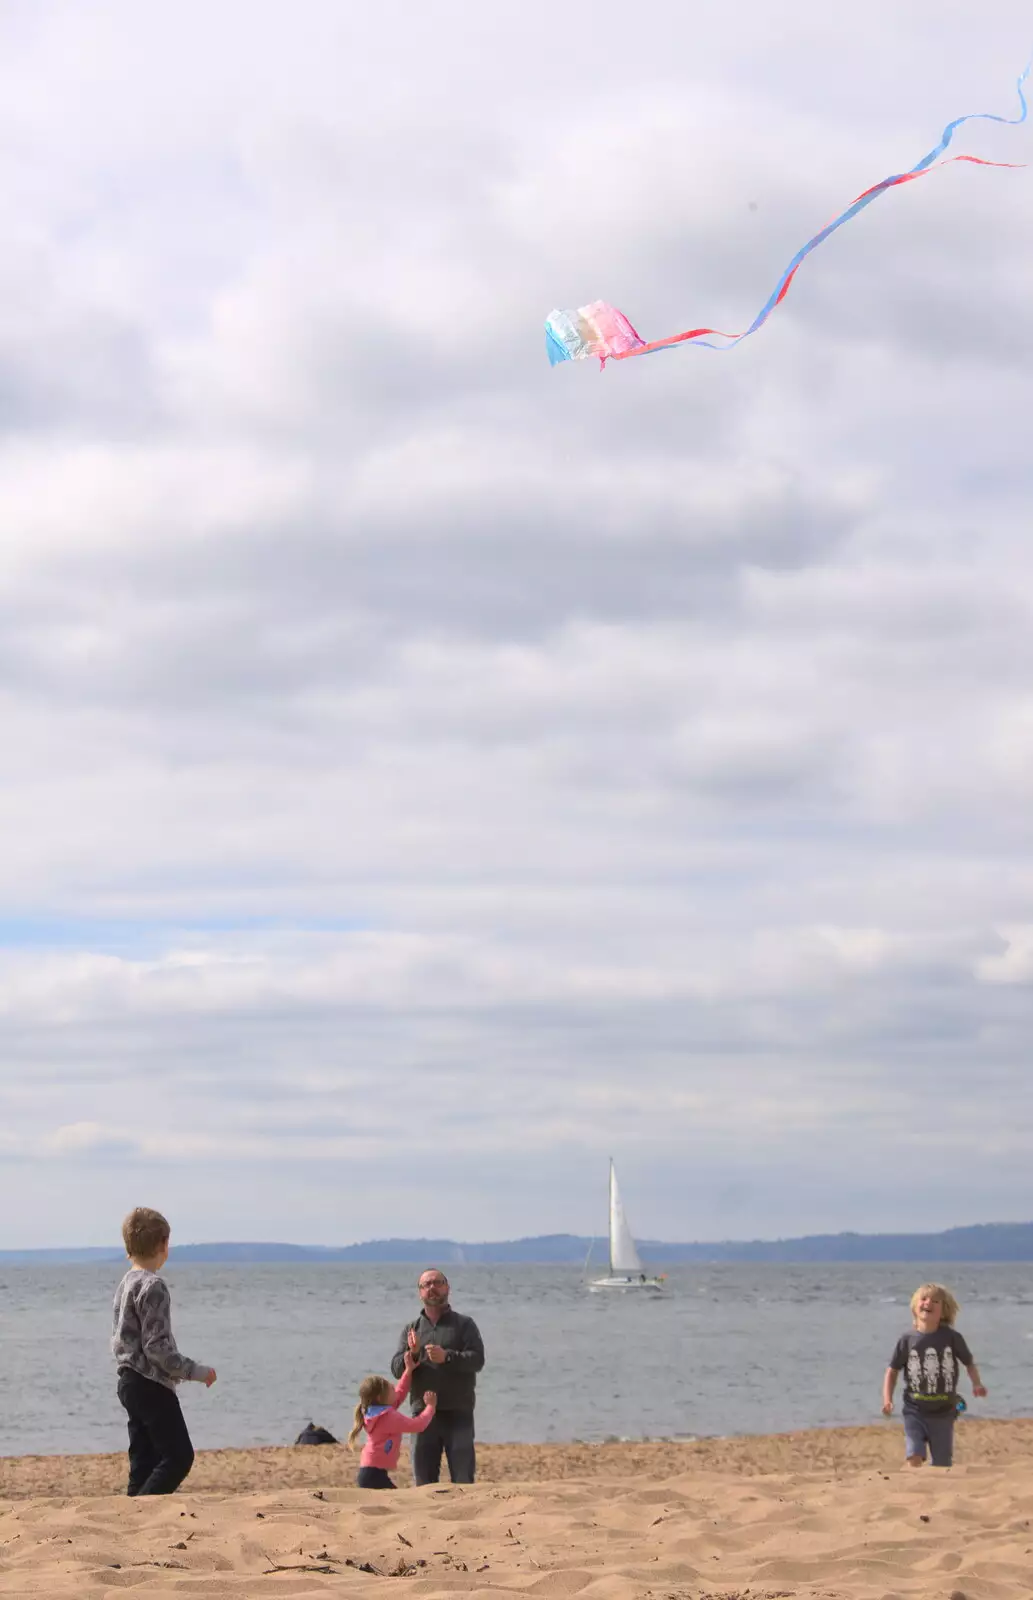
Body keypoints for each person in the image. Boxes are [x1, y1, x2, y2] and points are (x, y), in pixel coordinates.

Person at [111, 1207, 217, 1495]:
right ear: (163, 1245)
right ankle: (144, 1507)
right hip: (150, 1384)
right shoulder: (152, 1285)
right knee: (179, 1457)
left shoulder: (126, 1282)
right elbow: (156, 1347)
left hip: (128, 1381)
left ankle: (132, 1515)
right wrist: (194, 1371)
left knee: (144, 1461)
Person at [390, 1267, 484, 1484]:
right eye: (426, 1285)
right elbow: (396, 1369)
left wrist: (447, 1357)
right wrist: (412, 1355)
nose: (432, 1288)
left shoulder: (464, 1324)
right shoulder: (411, 1329)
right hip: (422, 1416)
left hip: (458, 1412)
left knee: (463, 1480)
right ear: (420, 1293)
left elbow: (477, 1360)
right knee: (424, 1483)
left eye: (437, 1283)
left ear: (447, 1288)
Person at [882, 1281, 987, 1468]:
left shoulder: (952, 1338)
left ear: (944, 1311)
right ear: (915, 1307)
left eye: (935, 1301)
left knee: (942, 1463)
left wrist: (977, 1384)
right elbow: (892, 1370)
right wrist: (887, 1399)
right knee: (914, 1454)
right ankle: (914, 1489)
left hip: (944, 1411)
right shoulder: (907, 1340)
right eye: (923, 1299)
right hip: (914, 1408)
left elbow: (968, 1363)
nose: (928, 1303)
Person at [347, 1344, 437, 1488]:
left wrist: (408, 1371)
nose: (394, 1389)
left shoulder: (375, 1411)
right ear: (380, 1397)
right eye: (390, 1388)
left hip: (369, 1471)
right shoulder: (389, 1417)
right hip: (373, 1475)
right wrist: (430, 1407)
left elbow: (400, 1393)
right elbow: (418, 1425)